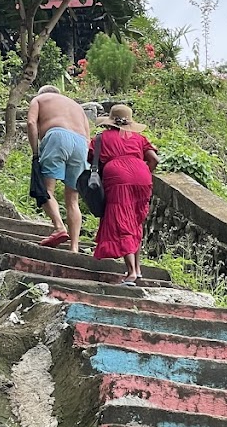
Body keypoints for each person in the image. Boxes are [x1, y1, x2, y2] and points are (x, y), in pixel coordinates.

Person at [91, 104, 159, 284]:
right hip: (142, 176)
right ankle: (138, 268)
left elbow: (90, 158)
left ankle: (131, 272)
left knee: (122, 221)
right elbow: (154, 159)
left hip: (118, 178)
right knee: (135, 221)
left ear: (110, 121)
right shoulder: (139, 138)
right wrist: (144, 173)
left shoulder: (101, 138)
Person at [26, 85, 91, 252]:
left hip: (56, 137)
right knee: (73, 200)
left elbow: (31, 123)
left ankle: (59, 227)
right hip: (81, 144)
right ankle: (74, 247)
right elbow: (88, 138)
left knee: (46, 190)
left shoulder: (39, 99)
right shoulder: (77, 107)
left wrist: (35, 152)